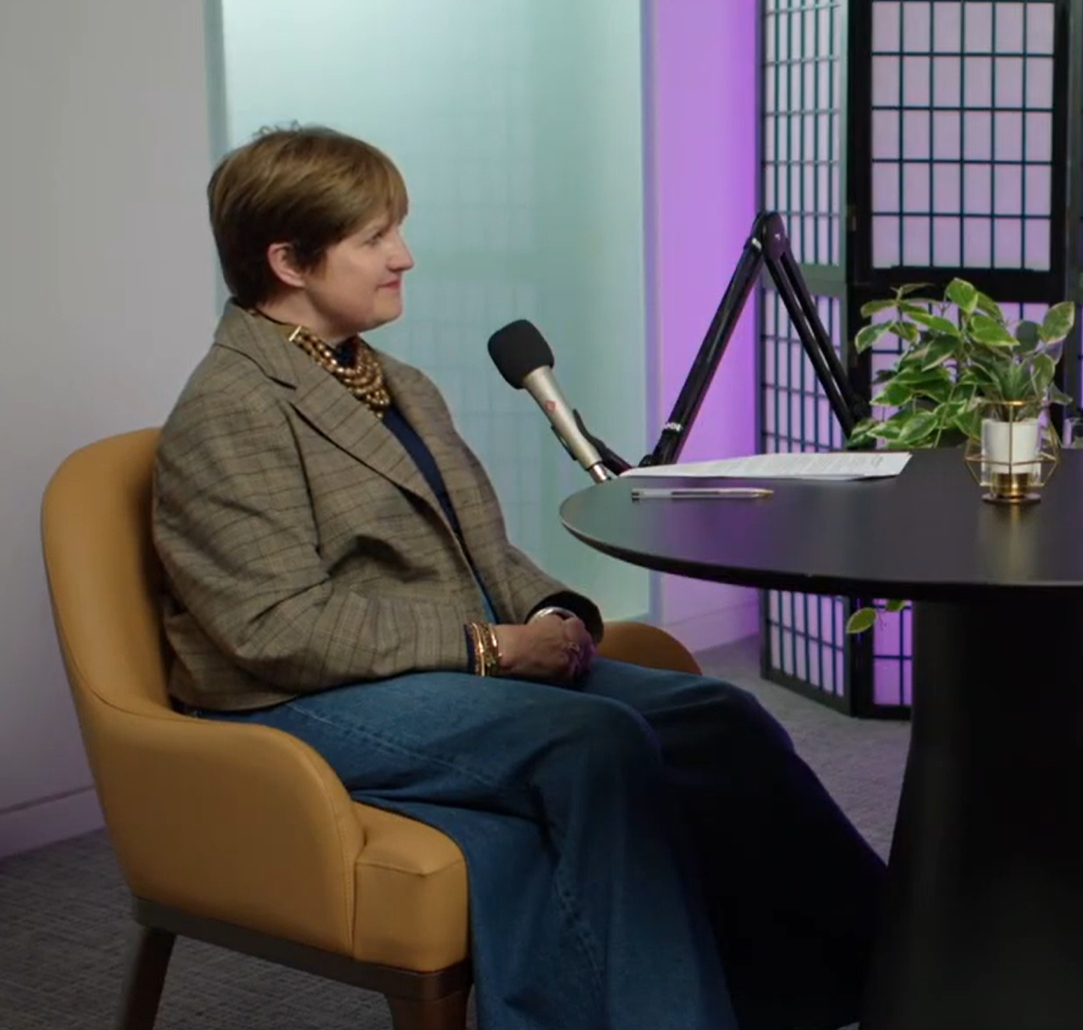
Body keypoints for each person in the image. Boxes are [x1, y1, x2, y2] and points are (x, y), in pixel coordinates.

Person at [152, 125, 884, 1030]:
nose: (404, 257)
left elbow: (477, 545)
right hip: (296, 700)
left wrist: (550, 612)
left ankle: (882, 980)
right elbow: (274, 627)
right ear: (289, 261)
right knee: (595, 744)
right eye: (375, 238)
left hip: (442, 667)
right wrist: (494, 649)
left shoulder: (394, 380)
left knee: (717, 716)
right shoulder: (230, 407)